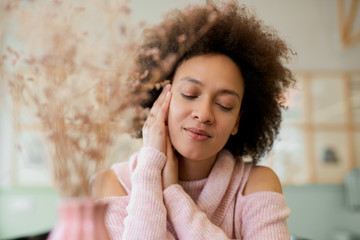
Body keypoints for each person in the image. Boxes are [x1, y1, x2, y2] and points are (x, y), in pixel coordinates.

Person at [91, 1, 295, 239]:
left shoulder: (256, 184)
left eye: (224, 105)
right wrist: (150, 168)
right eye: (189, 94)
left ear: (237, 122)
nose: (205, 114)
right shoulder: (112, 183)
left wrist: (173, 193)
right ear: (159, 99)